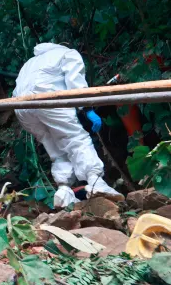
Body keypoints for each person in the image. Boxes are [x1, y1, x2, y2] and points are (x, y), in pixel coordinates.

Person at [14, 43, 122, 207]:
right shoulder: (67, 53)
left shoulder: (29, 64)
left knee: (55, 148)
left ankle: (63, 191)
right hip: (46, 99)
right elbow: (75, 83)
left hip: (22, 109)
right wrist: (87, 108)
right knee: (75, 138)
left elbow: (16, 90)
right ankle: (96, 182)